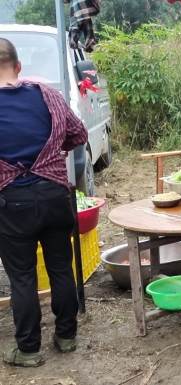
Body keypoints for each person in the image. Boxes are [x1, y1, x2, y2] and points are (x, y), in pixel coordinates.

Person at [0, 38, 87, 367]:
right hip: (54, 196)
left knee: (22, 277)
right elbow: (78, 135)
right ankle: (67, 336)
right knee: (60, 268)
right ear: (19, 67)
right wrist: (49, 153)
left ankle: (28, 350)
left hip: (12, 204)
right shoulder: (47, 94)